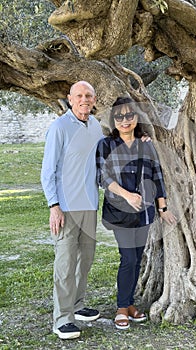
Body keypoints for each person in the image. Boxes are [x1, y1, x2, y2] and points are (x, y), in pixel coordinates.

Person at [96, 97, 177, 330]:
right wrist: (127, 195)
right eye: (119, 116)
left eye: (129, 115)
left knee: (137, 259)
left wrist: (162, 208)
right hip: (119, 213)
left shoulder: (146, 145)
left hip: (144, 214)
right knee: (128, 258)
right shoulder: (106, 145)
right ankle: (122, 307)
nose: (124, 120)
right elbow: (103, 177)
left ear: (136, 118)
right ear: (113, 120)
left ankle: (129, 304)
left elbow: (157, 175)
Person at [41, 81, 104, 339]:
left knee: (85, 261)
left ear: (94, 98)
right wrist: (54, 206)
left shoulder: (96, 125)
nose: (84, 99)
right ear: (70, 98)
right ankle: (62, 319)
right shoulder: (59, 127)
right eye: (79, 95)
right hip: (65, 208)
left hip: (89, 205)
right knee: (65, 265)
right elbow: (48, 171)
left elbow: (100, 162)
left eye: (88, 95)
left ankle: (77, 306)